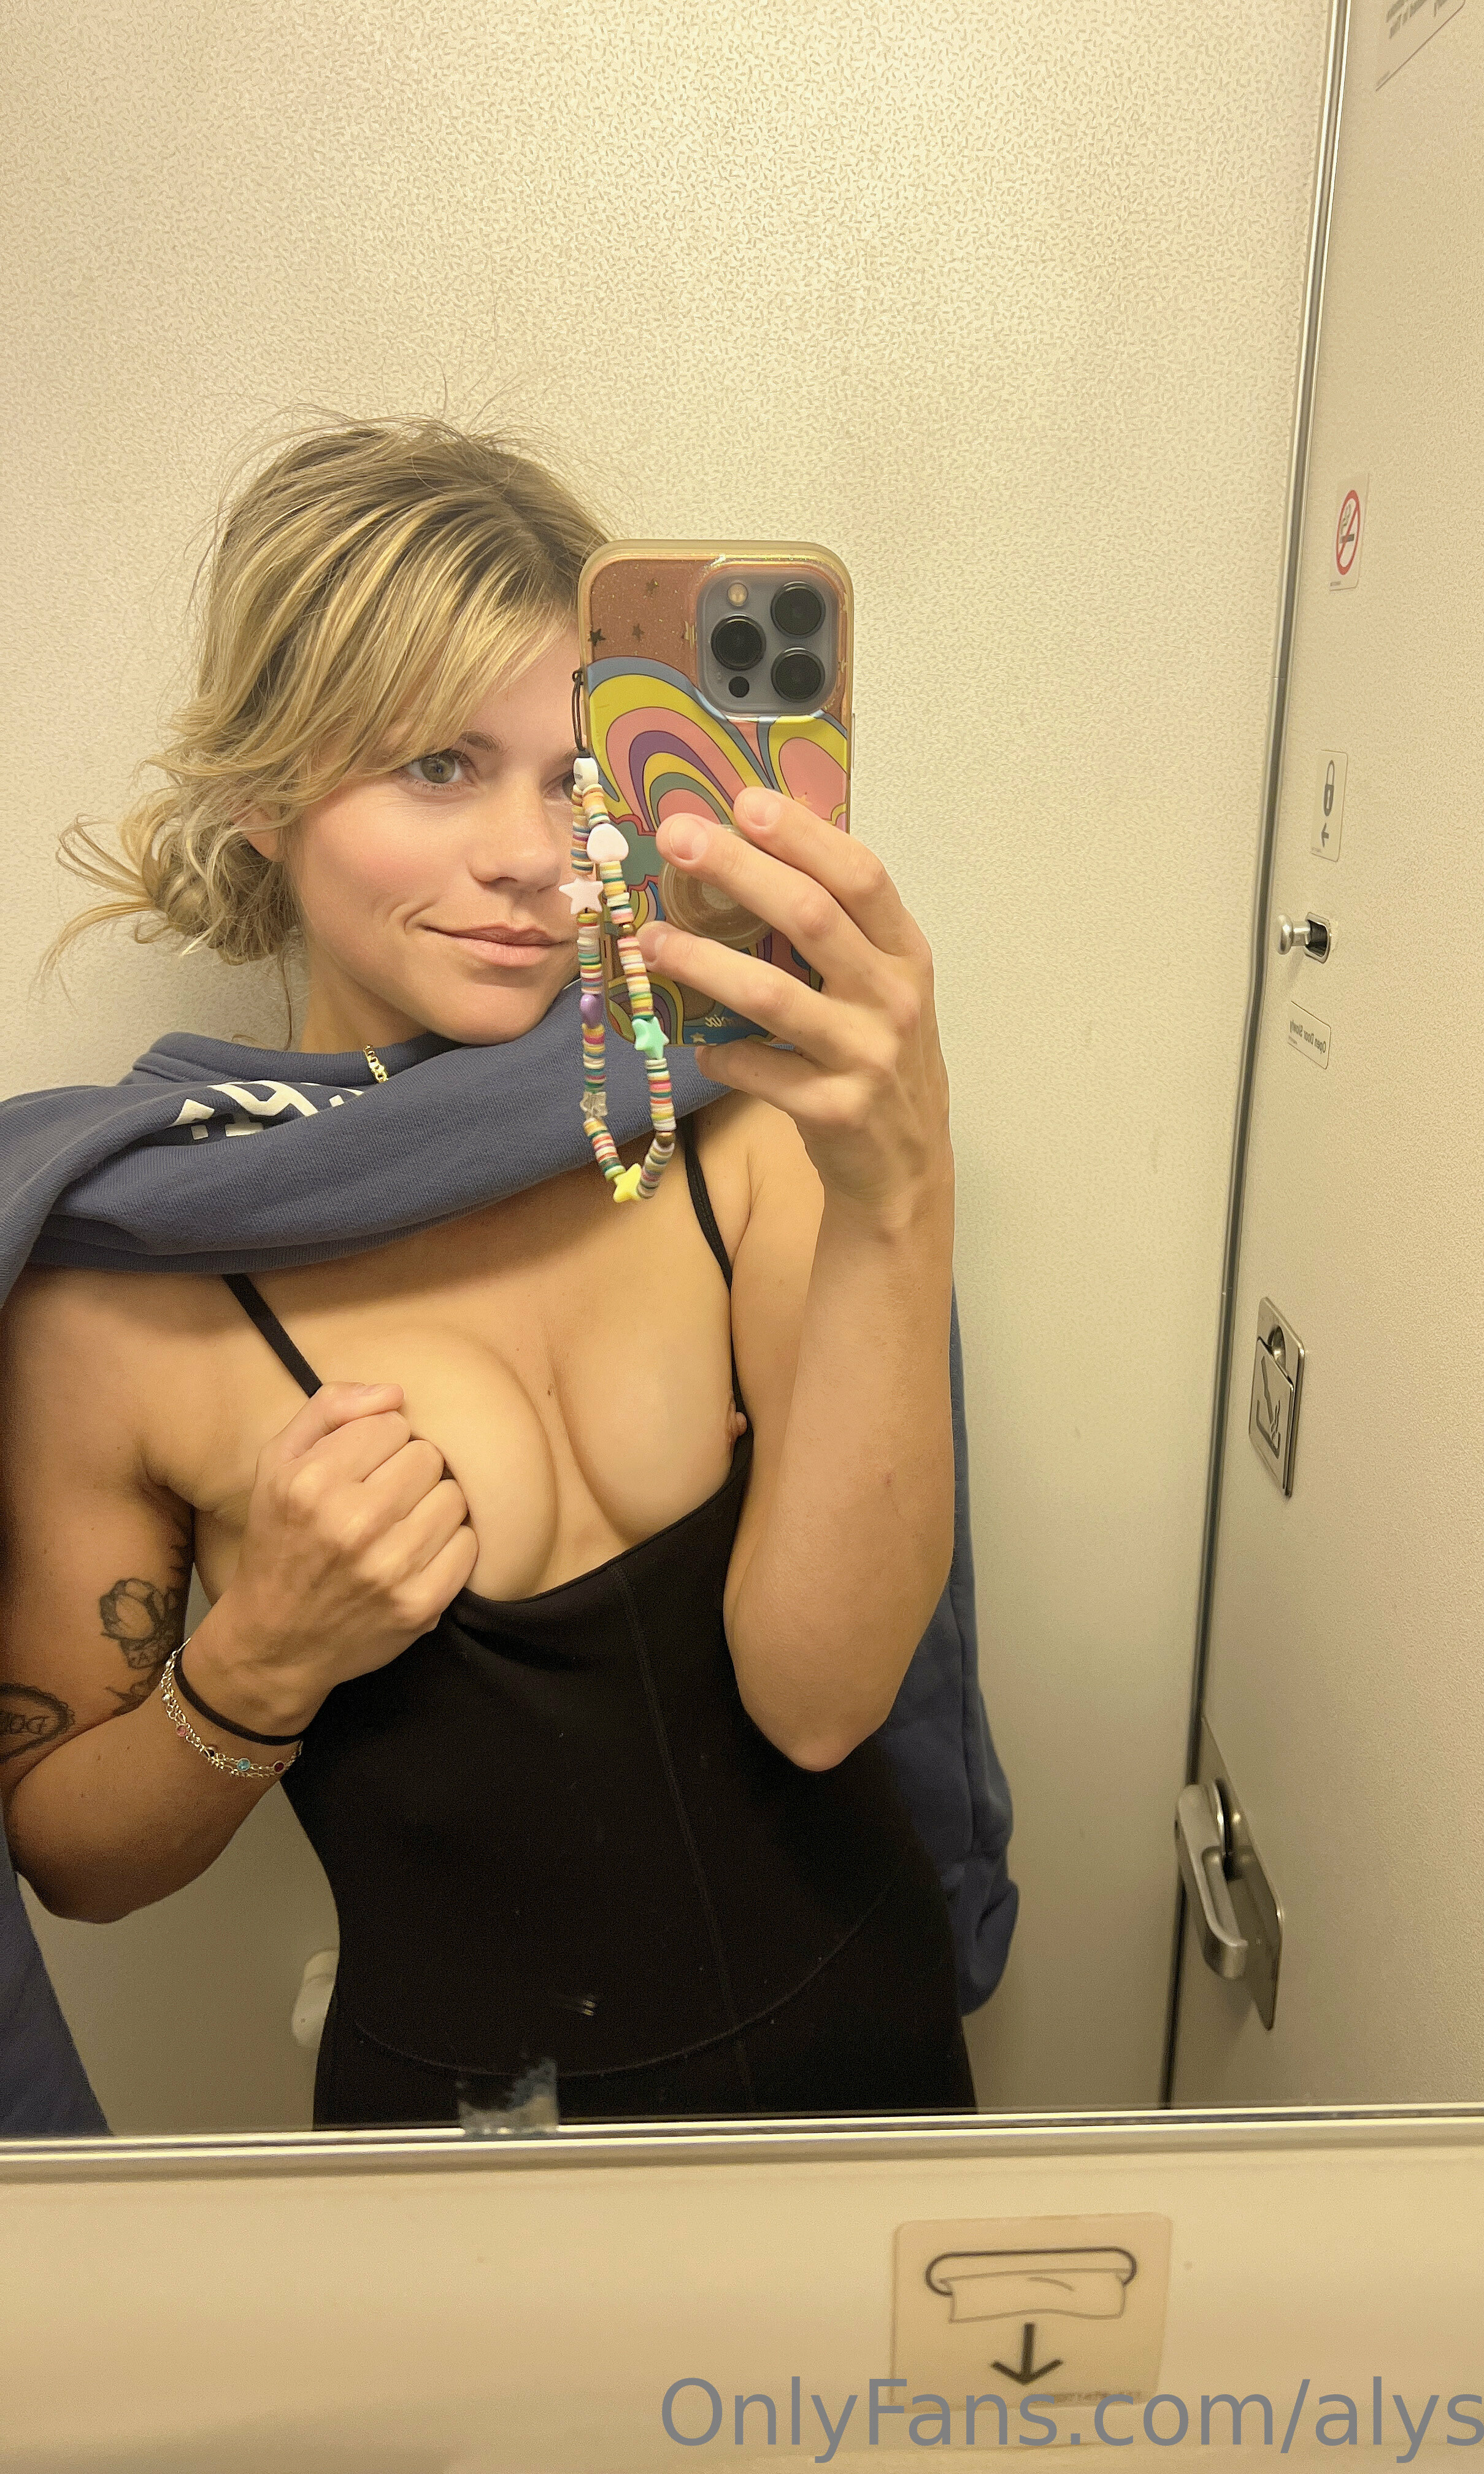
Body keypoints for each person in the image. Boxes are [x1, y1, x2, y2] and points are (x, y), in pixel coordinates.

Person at [0, 416, 977, 2126]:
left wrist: (900, 1201)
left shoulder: (732, 1127)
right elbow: (73, 1860)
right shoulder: (129, 1291)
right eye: (440, 765)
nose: (536, 854)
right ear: (264, 794)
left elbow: (822, 1705)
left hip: (865, 2071)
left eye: (579, 775)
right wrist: (260, 1664)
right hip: (452, 2163)